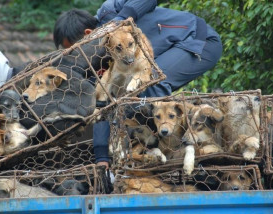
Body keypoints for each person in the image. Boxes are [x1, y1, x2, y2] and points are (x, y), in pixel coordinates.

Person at [53, 0, 223, 169]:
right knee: (127, 98)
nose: (76, 57)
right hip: (171, 52)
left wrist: (121, 19)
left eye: (75, 50)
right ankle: (144, 151)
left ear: (89, 34)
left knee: (150, 82)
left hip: (198, 38)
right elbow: (102, 104)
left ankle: (160, 148)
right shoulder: (98, 63)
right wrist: (101, 156)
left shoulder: (109, 11)